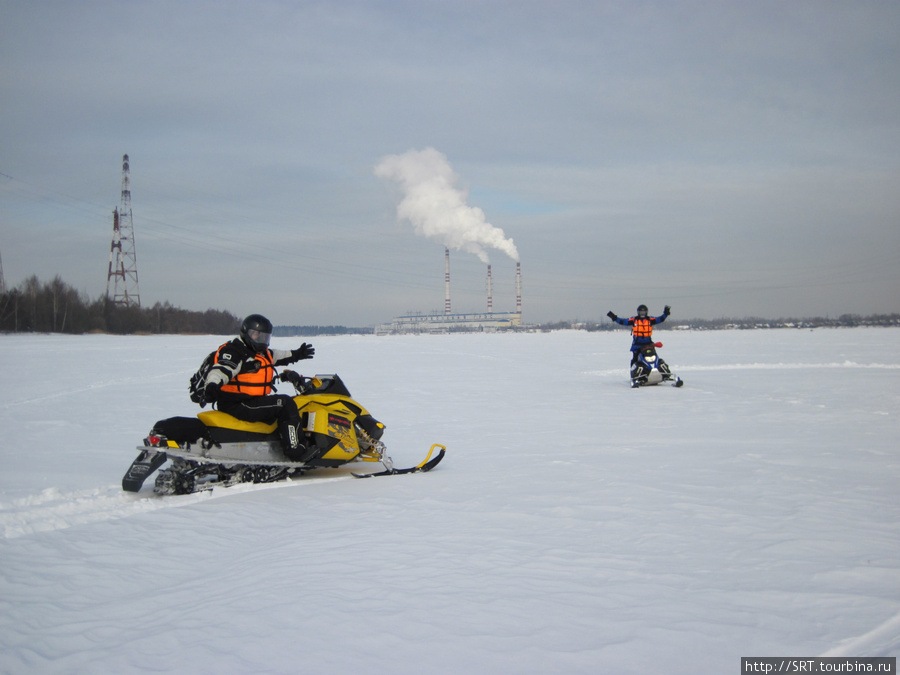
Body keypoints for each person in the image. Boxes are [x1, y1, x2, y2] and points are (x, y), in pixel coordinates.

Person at [202, 314, 316, 462]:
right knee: (286, 403)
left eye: (264, 337)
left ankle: (275, 443)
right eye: (257, 335)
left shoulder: (261, 353)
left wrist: (297, 354)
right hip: (238, 404)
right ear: (246, 333)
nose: (261, 340)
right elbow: (221, 370)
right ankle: (295, 450)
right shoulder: (235, 352)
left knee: (279, 405)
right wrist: (212, 385)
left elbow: (279, 355)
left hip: (250, 401)